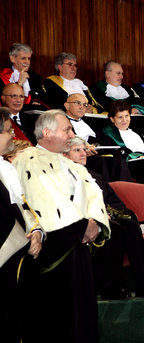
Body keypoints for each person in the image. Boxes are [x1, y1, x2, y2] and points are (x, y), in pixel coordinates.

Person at [12, 109, 110, 343]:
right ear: (47, 132)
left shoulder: (74, 165)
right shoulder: (26, 160)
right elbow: (42, 198)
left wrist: (94, 223)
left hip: (80, 246)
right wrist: (81, 225)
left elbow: (94, 195)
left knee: (83, 316)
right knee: (58, 319)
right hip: (54, 249)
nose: (71, 133)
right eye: (67, 129)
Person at [63, 136, 144, 299]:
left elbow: (114, 201)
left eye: (84, 149)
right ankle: (111, 287)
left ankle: (141, 283)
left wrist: (109, 213)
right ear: (64, 155)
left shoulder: (95, 176)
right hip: (83, 220)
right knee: (116, 230)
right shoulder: (63, 176)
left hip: (106, 216)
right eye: (77, 150)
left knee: (130, 225)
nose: (83, 153)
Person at [0, 107, 42, 342]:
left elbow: (23, 207)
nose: (13, 137)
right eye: (8, 131)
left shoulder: (7, 167)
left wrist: (35, 231)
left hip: (18, 250)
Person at [0, 43, 47, 108]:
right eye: (23, 58)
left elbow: (43, 99)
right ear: (12, 58)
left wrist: (36, 102)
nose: (27, 62)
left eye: (29, 58)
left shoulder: (36, 78)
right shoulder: (2, 75)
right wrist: (19, 83)